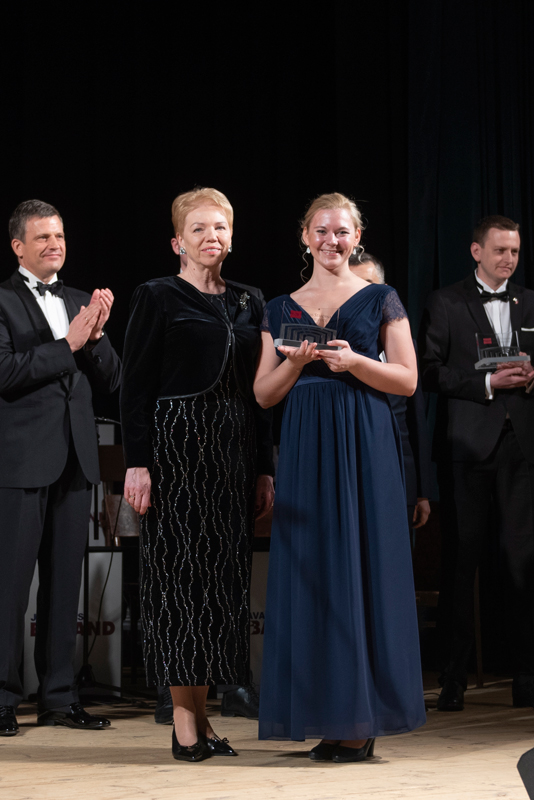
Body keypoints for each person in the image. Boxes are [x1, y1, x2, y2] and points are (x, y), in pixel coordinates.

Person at [255, 193, 426, 762]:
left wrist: (355, 363)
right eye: (323, 230)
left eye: (343, 231)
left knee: (362, 566)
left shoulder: (381, 298)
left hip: (363, 437)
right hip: (305, 442)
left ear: (357, 237)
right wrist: (295, 364)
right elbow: (263, 394)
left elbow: (407, 379)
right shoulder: (279, 306)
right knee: (314, 576)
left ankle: (361, 718)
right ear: (305, 236)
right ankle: (329, 714)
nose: (333, 240)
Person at [120, 187, 275, 763]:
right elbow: (135, 387)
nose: (212, 237)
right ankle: (184, 723)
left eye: (221, 227)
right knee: (180, 587)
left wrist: (264, 468)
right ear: (177, 242)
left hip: (233, 455)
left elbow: (260, 394)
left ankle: (203, 718)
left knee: (220, 591)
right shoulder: (156, 295)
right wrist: (138, 462)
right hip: (175, 454)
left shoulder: (250, 300)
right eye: (200, 229)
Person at [0, 200, 121, 736]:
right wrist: (67, 343)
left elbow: (113, 381)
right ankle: (2, 699)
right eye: (43, 237)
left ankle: (58, 697)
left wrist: (94, 340)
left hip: (75, 461)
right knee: (9, 588)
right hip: (20, 464)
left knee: (64, 586)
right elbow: (5, 372)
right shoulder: (2, 300)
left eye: (60, 236)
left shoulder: (79, 301)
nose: (55, 245)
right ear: (18, 247)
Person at [419, 215, 534, 712]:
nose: (508, 259)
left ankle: (526, 675)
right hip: (466, 447)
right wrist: (488, 383)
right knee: (461, 563)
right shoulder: (446, 301)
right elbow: (429, 372)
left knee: (522, 562)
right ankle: (453, 678)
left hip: (521, 448)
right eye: (500, 250)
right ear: (476, 251)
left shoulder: (530, 301)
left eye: (515, 251)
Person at [349, 252, 432, 532]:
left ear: (385, 291)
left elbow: (416, 420)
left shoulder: (405, 345)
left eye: (369, 286)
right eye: (354, 287)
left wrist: (422, 491)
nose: (363, 296)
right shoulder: (331, 349)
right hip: (348, 472)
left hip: (399, 474)